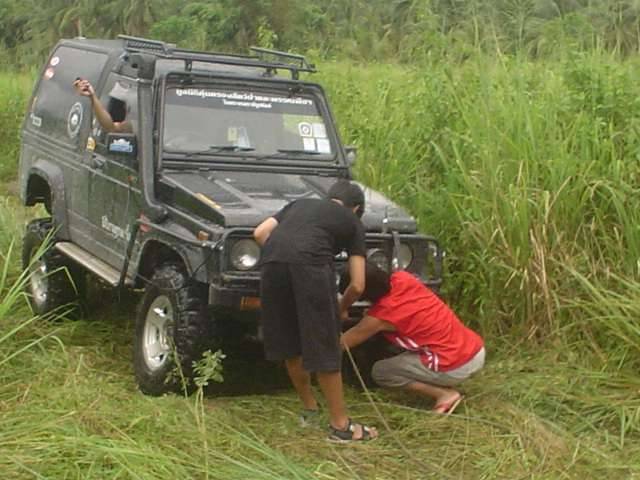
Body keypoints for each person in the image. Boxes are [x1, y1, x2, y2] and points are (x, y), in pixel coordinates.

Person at [253, 179, 378, 442]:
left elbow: (260, 233)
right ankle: (341, 427)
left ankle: (310, 409)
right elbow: (358, 284)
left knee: (290, 343)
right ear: (356, 208)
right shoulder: (352, 221)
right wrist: (340, 308)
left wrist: (286, 256)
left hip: (272, 264)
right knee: (324, 346)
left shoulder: (299, 204)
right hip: (310, 266)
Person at [340, 262, 485, 415]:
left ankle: (445, 394)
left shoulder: (380, 317)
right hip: (474, 349)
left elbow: (342, 344)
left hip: (456, 366)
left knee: (381, 371)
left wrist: (340, 310)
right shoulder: (402, 278)